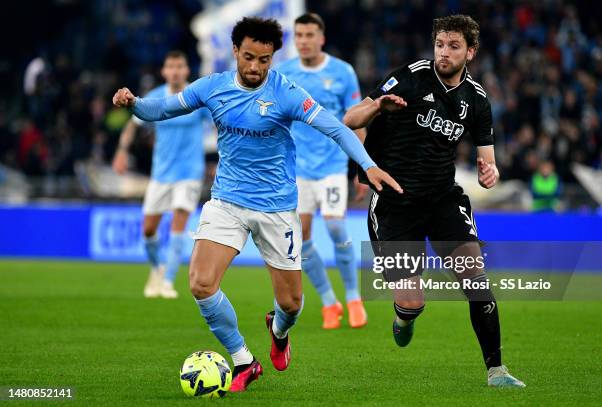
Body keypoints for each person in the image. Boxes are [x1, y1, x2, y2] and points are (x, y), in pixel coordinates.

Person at [112, 17, 401, 392]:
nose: (254, 67)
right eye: (248, 57)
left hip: (277, 208)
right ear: (235, 51)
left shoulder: (287, 93)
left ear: (272, 58)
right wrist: (133, 103)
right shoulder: (213, 87)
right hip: (227, 201)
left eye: (264, 60)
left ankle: (278, 332)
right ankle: (244, 361)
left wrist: (368, 165)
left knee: (292, 304)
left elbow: (335, 127)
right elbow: (162, 109)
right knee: (201, 283)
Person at [344, 14, 525, 388]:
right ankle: (404, 318)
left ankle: (497, 370)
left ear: (470, 52)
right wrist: (379, 106)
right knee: (412, 302)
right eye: (440, 44)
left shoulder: (476, 100)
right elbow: (351, 118)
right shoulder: (410, 76)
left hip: (443, 198)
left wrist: (490, 174)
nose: (443, 53)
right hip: (394, 201)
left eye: (453, 46)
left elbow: (489, 163)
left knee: (476, 281)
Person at [276, 13, 368, 330]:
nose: (303, 41)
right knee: (300, 240)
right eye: (298, 35)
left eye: (309, 35)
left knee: (336, 228)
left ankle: (354, 297)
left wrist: (361, 169)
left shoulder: (342, 72)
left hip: (332, 166)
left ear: (321, 38)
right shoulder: (284, 73)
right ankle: (330, 301)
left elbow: (356, 120)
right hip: (297, 171)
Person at [112, 51, 211, 299]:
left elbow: (220, 123)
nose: (176, 71)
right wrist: (122, 151)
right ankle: (158, 269)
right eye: (171, 66)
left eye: (180, 66)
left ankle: (167, 282)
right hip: (161, 173)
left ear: (187, 70)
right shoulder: (155, 97)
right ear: (164, 71)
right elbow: (132, 126)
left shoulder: (196, 96)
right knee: (148, 230)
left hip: (189, 172)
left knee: (179, 226)